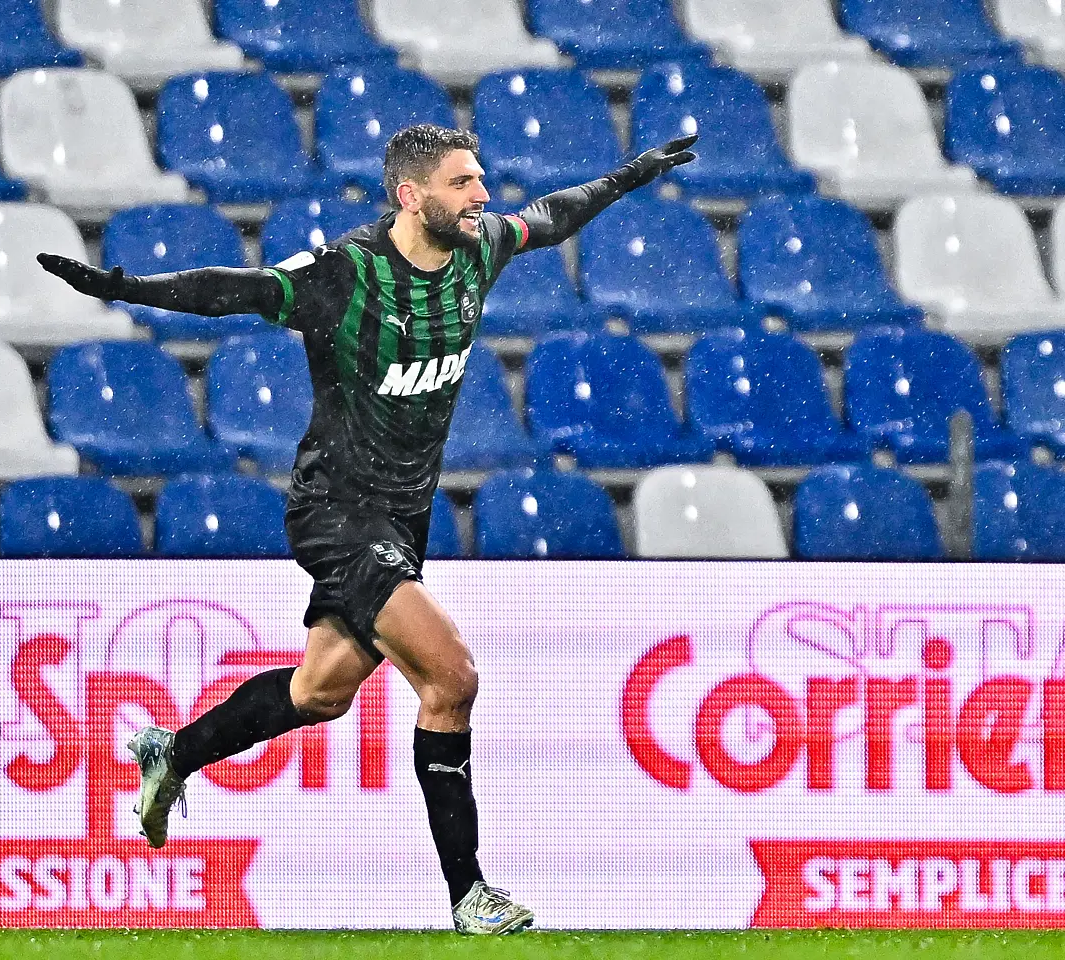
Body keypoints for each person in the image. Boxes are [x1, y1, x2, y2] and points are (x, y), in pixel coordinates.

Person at [38, 125, 697, 935]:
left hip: (402, 516)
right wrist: (129, 289)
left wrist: (633, 172)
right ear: (410, 196)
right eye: (464, 184)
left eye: (480, 181)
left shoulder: (478, 251)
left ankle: (173, 753)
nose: (483, 197)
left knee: (320, 693)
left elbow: (555, 216)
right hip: (335, 510)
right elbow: (235, 290)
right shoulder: (347, 274)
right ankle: (471, 897)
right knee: (451, 680)